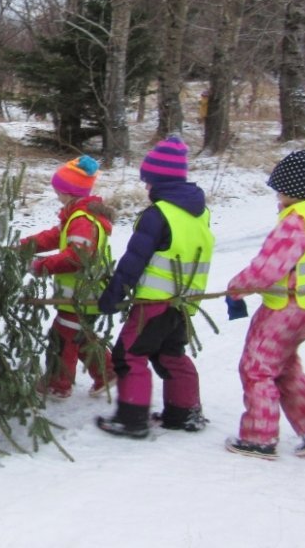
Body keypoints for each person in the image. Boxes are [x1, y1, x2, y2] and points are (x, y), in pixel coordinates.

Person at [224, 150, 305, 460]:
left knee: (256, 368)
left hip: (284, 308)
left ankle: (259, 437)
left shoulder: (296, 221)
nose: (277, 195)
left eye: (280, 189)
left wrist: (237, 287)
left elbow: (269, 266)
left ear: (293, 189)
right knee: (284, 366)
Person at [95, 136, 213, 439]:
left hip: (154, 302)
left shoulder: (158, 214)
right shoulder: (200, 213)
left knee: (129, 355)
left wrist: (113, 294)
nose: (146, 187)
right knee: (170, 353)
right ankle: (184, 412)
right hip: (184, 301)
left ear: (159, 181)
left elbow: (134, 260)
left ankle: (132, 418)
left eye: (148, 181)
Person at [22, 155, 116, 399]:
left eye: (58, 191)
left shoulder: (82, 220)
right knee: (80, 335)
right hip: (81, 294)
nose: (56, 195)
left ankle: (58, 384)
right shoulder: (76, 216)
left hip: (82, 294)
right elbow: (52, 237)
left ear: (68, 192)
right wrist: (22, 246)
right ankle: (108, 372)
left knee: (63, 337)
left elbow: (76, 257)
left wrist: (39, 266)